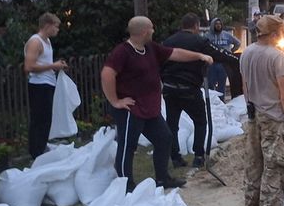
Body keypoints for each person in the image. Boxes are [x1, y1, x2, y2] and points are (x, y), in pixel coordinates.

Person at [101, 16, 212, 191]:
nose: (154, 31)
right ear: (144, 31)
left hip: (150, 108)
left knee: (164, 138)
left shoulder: (150, 48)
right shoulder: (123, 52)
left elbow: (175, 53)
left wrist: (199, 56)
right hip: (131, 108)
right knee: (128, 145)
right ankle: (125, 185)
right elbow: (107, 74)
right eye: (151, 28)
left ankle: (163, 178)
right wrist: (115, 101)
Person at [240, 15, 284, 206]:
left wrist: (251, 110)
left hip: (254, 117)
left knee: (254, 169)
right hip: (274, 120)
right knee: (274, 171)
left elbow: (245, 86)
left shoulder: (247, 53)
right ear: (275, 33)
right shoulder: (277, 57)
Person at [162, 13, 241, 168]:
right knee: (200, 121)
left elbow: (159, 63)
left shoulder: (168, 42)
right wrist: (239, 60)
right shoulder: (200, 41)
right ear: (196, 26)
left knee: (172, 124)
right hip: (189, 89)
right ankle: (198, 156)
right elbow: (220, 53)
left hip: (170, 89)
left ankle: (175, 157)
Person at [23, 12, 67, 158]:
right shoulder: (36, 42)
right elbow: (28, 67)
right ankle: (36, 151)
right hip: (38, 85)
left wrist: (55, 66)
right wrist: (52, 65)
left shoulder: (47, 41)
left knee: (46, 118)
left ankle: (41, 146)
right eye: (56, 26)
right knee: (39, 118)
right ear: (47, 25)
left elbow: (45, 63)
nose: (57, 30)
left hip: (48, 83)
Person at [204, 18, 241, 97]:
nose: (218, 25)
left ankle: (221, 101)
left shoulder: (226, 35)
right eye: (216, 24)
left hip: (224, 64)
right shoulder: (207, 36)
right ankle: (211, 102)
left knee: (222, 84)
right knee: (211, 84)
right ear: (213, 25)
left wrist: (231, 51)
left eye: (220, 24)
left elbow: (238, 43)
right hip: (212, 63)